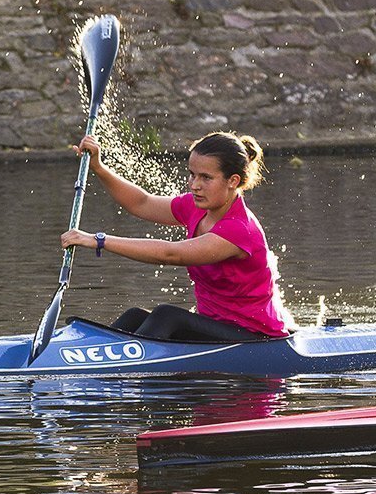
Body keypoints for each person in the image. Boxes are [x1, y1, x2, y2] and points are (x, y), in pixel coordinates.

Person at [60, 131, 294, 342]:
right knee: (134, 317)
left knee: (167, 316)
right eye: (192, 175)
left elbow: (172, 254)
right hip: (215, 326)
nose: (194, 185)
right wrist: (99, 168)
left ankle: (115, 370)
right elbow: (142, 203)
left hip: (254, 336)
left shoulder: (239, 229)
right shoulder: (196, 207)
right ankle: (79, 354)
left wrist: (99, 240)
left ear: (233, 181)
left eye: (205, 178)